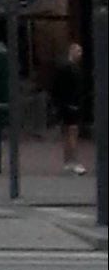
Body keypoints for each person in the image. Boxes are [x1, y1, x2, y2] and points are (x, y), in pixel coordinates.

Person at [52, 42, 87, 175]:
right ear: (71, 52)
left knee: (67, 133)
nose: (80, 55)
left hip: (66, 105)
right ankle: (75, 162)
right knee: (73, 133)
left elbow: (56, 87)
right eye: (78, 52)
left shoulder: (65, 68)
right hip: (72, 105)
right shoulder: (71, 69)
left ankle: (67, 161)